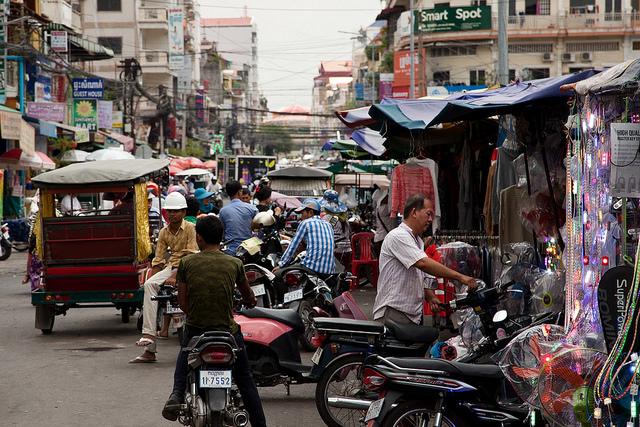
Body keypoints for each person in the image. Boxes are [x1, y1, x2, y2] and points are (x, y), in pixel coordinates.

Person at [161, 216, 266, 426]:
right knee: (246, 381)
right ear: (221, 237)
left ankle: (176, 394)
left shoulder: (187, 263)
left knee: (183, 358)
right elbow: (249, 298)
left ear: (198, 238)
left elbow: (182, 303)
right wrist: (250, 301)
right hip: (227, 332)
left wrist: (195, 314)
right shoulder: (235, 263)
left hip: (196, 330)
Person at [372, 194, 479, 326]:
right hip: (394, 312)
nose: (430, 220)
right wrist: (461, 277)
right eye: (428, 214)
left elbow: (417, 276)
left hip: (410, 313)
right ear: (414, 212)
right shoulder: (398, 236)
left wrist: (431, 297)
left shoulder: (417, 241)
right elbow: (423, 263)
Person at [132, 192, 198, 363]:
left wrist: (177, 274)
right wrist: (155, 283)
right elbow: (159, 260)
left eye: (176, 211)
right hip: (171, 267)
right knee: (148, 286)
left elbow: (191, 255)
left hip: (190, 266)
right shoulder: (163, 232)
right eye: (170, 211)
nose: (172, 214)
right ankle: (149, 340)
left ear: (184, 212)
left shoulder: (191, 228)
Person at [275, 198, 335, 276]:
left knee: (278, 275)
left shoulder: (306, 223)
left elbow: (293, 246)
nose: (301, 217)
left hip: (312, 267)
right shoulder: (328, 224)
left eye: (302, 213)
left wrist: (281, 264)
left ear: (310, 212)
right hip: (329, 270)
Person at [219, 181, 258, 255]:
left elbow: (222, 232)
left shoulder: (223, 211)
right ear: (239, 192)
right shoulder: (252, 209)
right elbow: (257, 230)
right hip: (249, 250)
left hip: (230, 250)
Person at [321, 190, 352, 273]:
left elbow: (325, 233)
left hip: (336, 251)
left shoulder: (329, 218)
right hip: (348, 250)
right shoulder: (343, 217)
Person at [372, 188, 396, 258]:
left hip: (379, 239)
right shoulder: (384, 208)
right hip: (383, 239)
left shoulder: (378, 208)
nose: (388, 197)